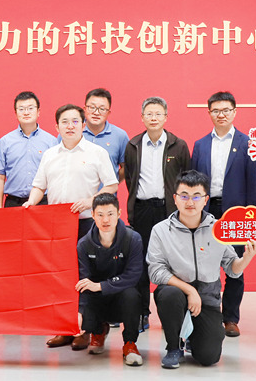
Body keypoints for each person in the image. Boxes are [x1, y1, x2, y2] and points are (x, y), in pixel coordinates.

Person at [23, 103, 118, 350]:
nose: (70, 126)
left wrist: (91, 200)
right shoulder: (49, 155)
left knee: (87, 276)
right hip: (56, 225)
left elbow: (111, 185)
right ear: (56, 127)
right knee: (61, 277)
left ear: (83, 125)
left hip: (87, 223)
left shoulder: (97, 153)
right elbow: (39, 186)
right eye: (64, 122)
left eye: (75, 121)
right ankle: (65, 328)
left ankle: (88, 329)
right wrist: (31, 202)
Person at [147, 170, 256, 369]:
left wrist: (246, 258)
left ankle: (194, 338)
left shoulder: (218, 228)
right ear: (175, 198)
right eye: (184, 196)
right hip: (176, 294)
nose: (190, 202)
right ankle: (174, 347)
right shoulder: (160, 230)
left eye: (196, 196)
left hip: (207, 299)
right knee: (170, 295)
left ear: (206, 199)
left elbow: (232, 269)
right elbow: (155, 271)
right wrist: (189, 290)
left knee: (209, 357)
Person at [191, 91, 256, 337]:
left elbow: (253, 184)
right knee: (202, 264)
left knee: (236, 264)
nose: (221, 114)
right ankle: (204, 315)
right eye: (216, 110)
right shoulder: (200, 145)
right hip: (206, 211)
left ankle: (230, 318)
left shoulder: (247, 143)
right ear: (209, 112)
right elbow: (193, 182)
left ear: (234, 112)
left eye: (226, 110)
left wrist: (252, 219)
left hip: (237, 213)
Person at [124, 96, 191, 332]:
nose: (153, 118)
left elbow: (186, 178)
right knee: (140, 263)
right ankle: (142, 312)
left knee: (173, 262)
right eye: (149, 114)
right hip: (142, 210)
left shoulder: (178, 145)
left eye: (158, 114)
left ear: (165, 117)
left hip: (169, 210)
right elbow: (130, 178)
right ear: (142, 117)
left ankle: (172, 312)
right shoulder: (133, 145)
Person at [75, 193, 144, 365]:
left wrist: (101, 286)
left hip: (122, 295)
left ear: (119, 213)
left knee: (132, 295)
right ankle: (97, 331)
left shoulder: (133, 239)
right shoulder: (83, 244)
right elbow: (83, 280)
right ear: (92, 215)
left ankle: (130, 343)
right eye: (100, 215)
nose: (105, 220)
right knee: (85, 292)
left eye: (110, 214)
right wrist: (78, 314)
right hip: (97, 297)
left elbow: (133, 275)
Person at [0, 91, 57, 208]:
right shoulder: (5, 141)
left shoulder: (51, 141)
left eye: (30, 108)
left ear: (38, 111)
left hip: (43, 202)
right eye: (21, 109)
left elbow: (56, 176)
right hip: (13, 202)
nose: (26, 112)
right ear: (15, 113)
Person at [83, 88, 129, 182]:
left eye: (102, 109)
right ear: (84, 109)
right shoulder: (72, 131)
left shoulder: (120, 136)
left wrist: (112, 182)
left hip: (107, 191)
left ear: (108, 113)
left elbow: (127, 167)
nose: (96, 112)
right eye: (92, 107)